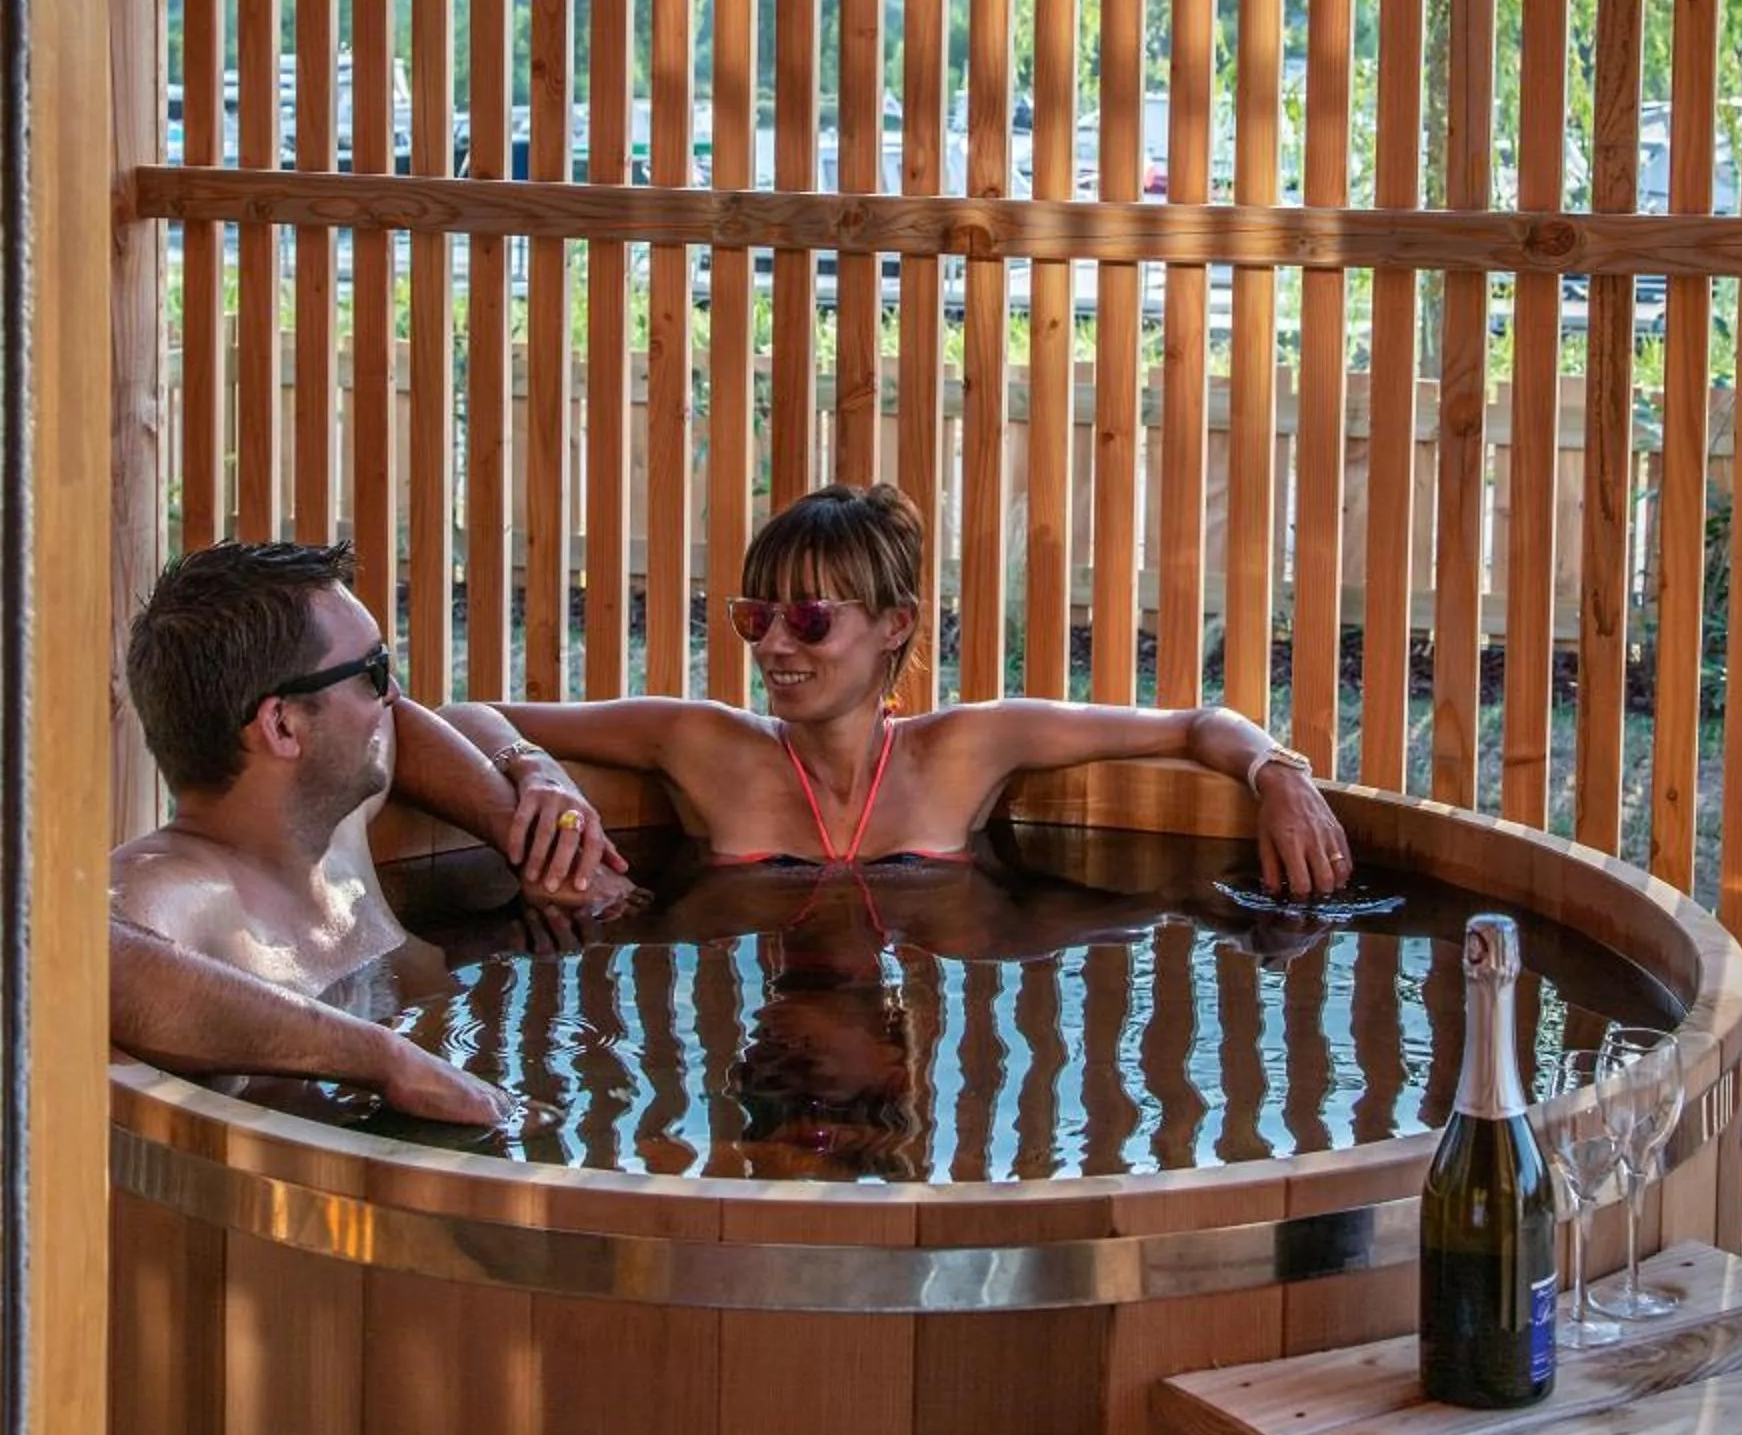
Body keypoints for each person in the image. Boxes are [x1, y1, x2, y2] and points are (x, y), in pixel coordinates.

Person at [449, 480, 1354, 896]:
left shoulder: (967, 749)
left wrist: (1278, 774)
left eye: (810, 619)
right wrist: (535, 770)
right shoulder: (701, 743)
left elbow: (1196, 724)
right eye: (756, 616)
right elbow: (464, 713)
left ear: (895, 625)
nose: (774, 645)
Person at [109, 538, 632, 1126]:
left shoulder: (335, 825)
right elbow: (83, 958)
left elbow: (416, 725)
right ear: (282, 725)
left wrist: (525, 819)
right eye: (374, 672)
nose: (395, 693)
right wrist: (387, 1061)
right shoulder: (179, 887)